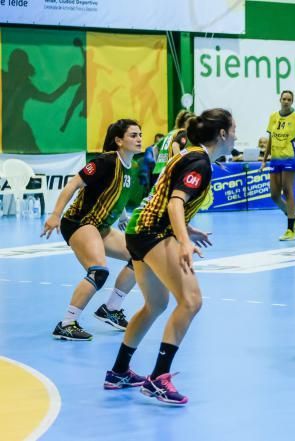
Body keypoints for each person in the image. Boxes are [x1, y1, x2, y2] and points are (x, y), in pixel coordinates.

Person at [103, 109, 232, 405]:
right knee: (191, 301)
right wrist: (183, 241)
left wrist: (188, 229)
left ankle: (119, 371)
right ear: (223, 134)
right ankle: (158, 378)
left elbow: (163, 200)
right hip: (153, 233)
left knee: (156, 304)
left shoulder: (192, 155)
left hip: (140, 229)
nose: (236, 134)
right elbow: (175, 203)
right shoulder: (199, 161)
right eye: (233, 129)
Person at [42, 119, 142, 341]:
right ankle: (67, 324)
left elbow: (117, 192)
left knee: (140, 254)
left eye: (139, 135)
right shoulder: (105, 161)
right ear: (118, 140)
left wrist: (123, 216)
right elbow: (73, 184)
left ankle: (111, 309)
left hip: (101, 226)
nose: (139, 139)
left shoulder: (129, 166)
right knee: (99, 272)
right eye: (133, 135)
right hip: (79, 223)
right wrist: (55, 214)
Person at [260, 90, 295, 241]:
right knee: (274, 195)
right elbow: (270, 139)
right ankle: (293, 216)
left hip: (290, 158)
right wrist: (265, 159)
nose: (286, 101)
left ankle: (290, 229)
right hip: (275, 159)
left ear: (292, 102)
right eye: (284, 99)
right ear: (280, 100)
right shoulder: (273, 117)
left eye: (289, 99)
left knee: (287, 190)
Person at [152, 110, 193, 183]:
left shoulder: (170, 133)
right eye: (191, 122)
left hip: (158, 170)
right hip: (169, 171)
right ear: (185, 123)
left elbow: (155, 148)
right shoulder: (183, 132)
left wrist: (159, 162)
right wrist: (181, 164)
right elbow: (175, 146)